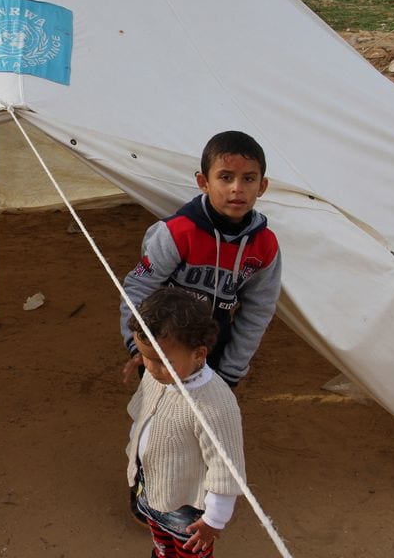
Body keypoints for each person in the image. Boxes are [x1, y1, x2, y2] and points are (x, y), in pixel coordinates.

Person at [120, 130, 281, 389]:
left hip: (215, 352)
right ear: (203, 182)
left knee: (208, 423)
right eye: (225, 177)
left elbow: (259, 309)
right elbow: (139, 287)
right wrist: (138, 343)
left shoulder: (265, 246)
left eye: (248, 178)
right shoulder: (177, 233)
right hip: (163, 348)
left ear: (262, 186)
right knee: (158, 420)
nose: (237, 188)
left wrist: (231, 370)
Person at [126, 287, 246, 558]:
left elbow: (226, 469)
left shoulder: (216, 405)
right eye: (146, 356)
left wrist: (213, 521)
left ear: (199, 353)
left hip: (189, 510)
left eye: (162, 360)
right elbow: (144, 412)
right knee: (161, 545)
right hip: (153, 487)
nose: (151, 368)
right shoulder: (160, 375)